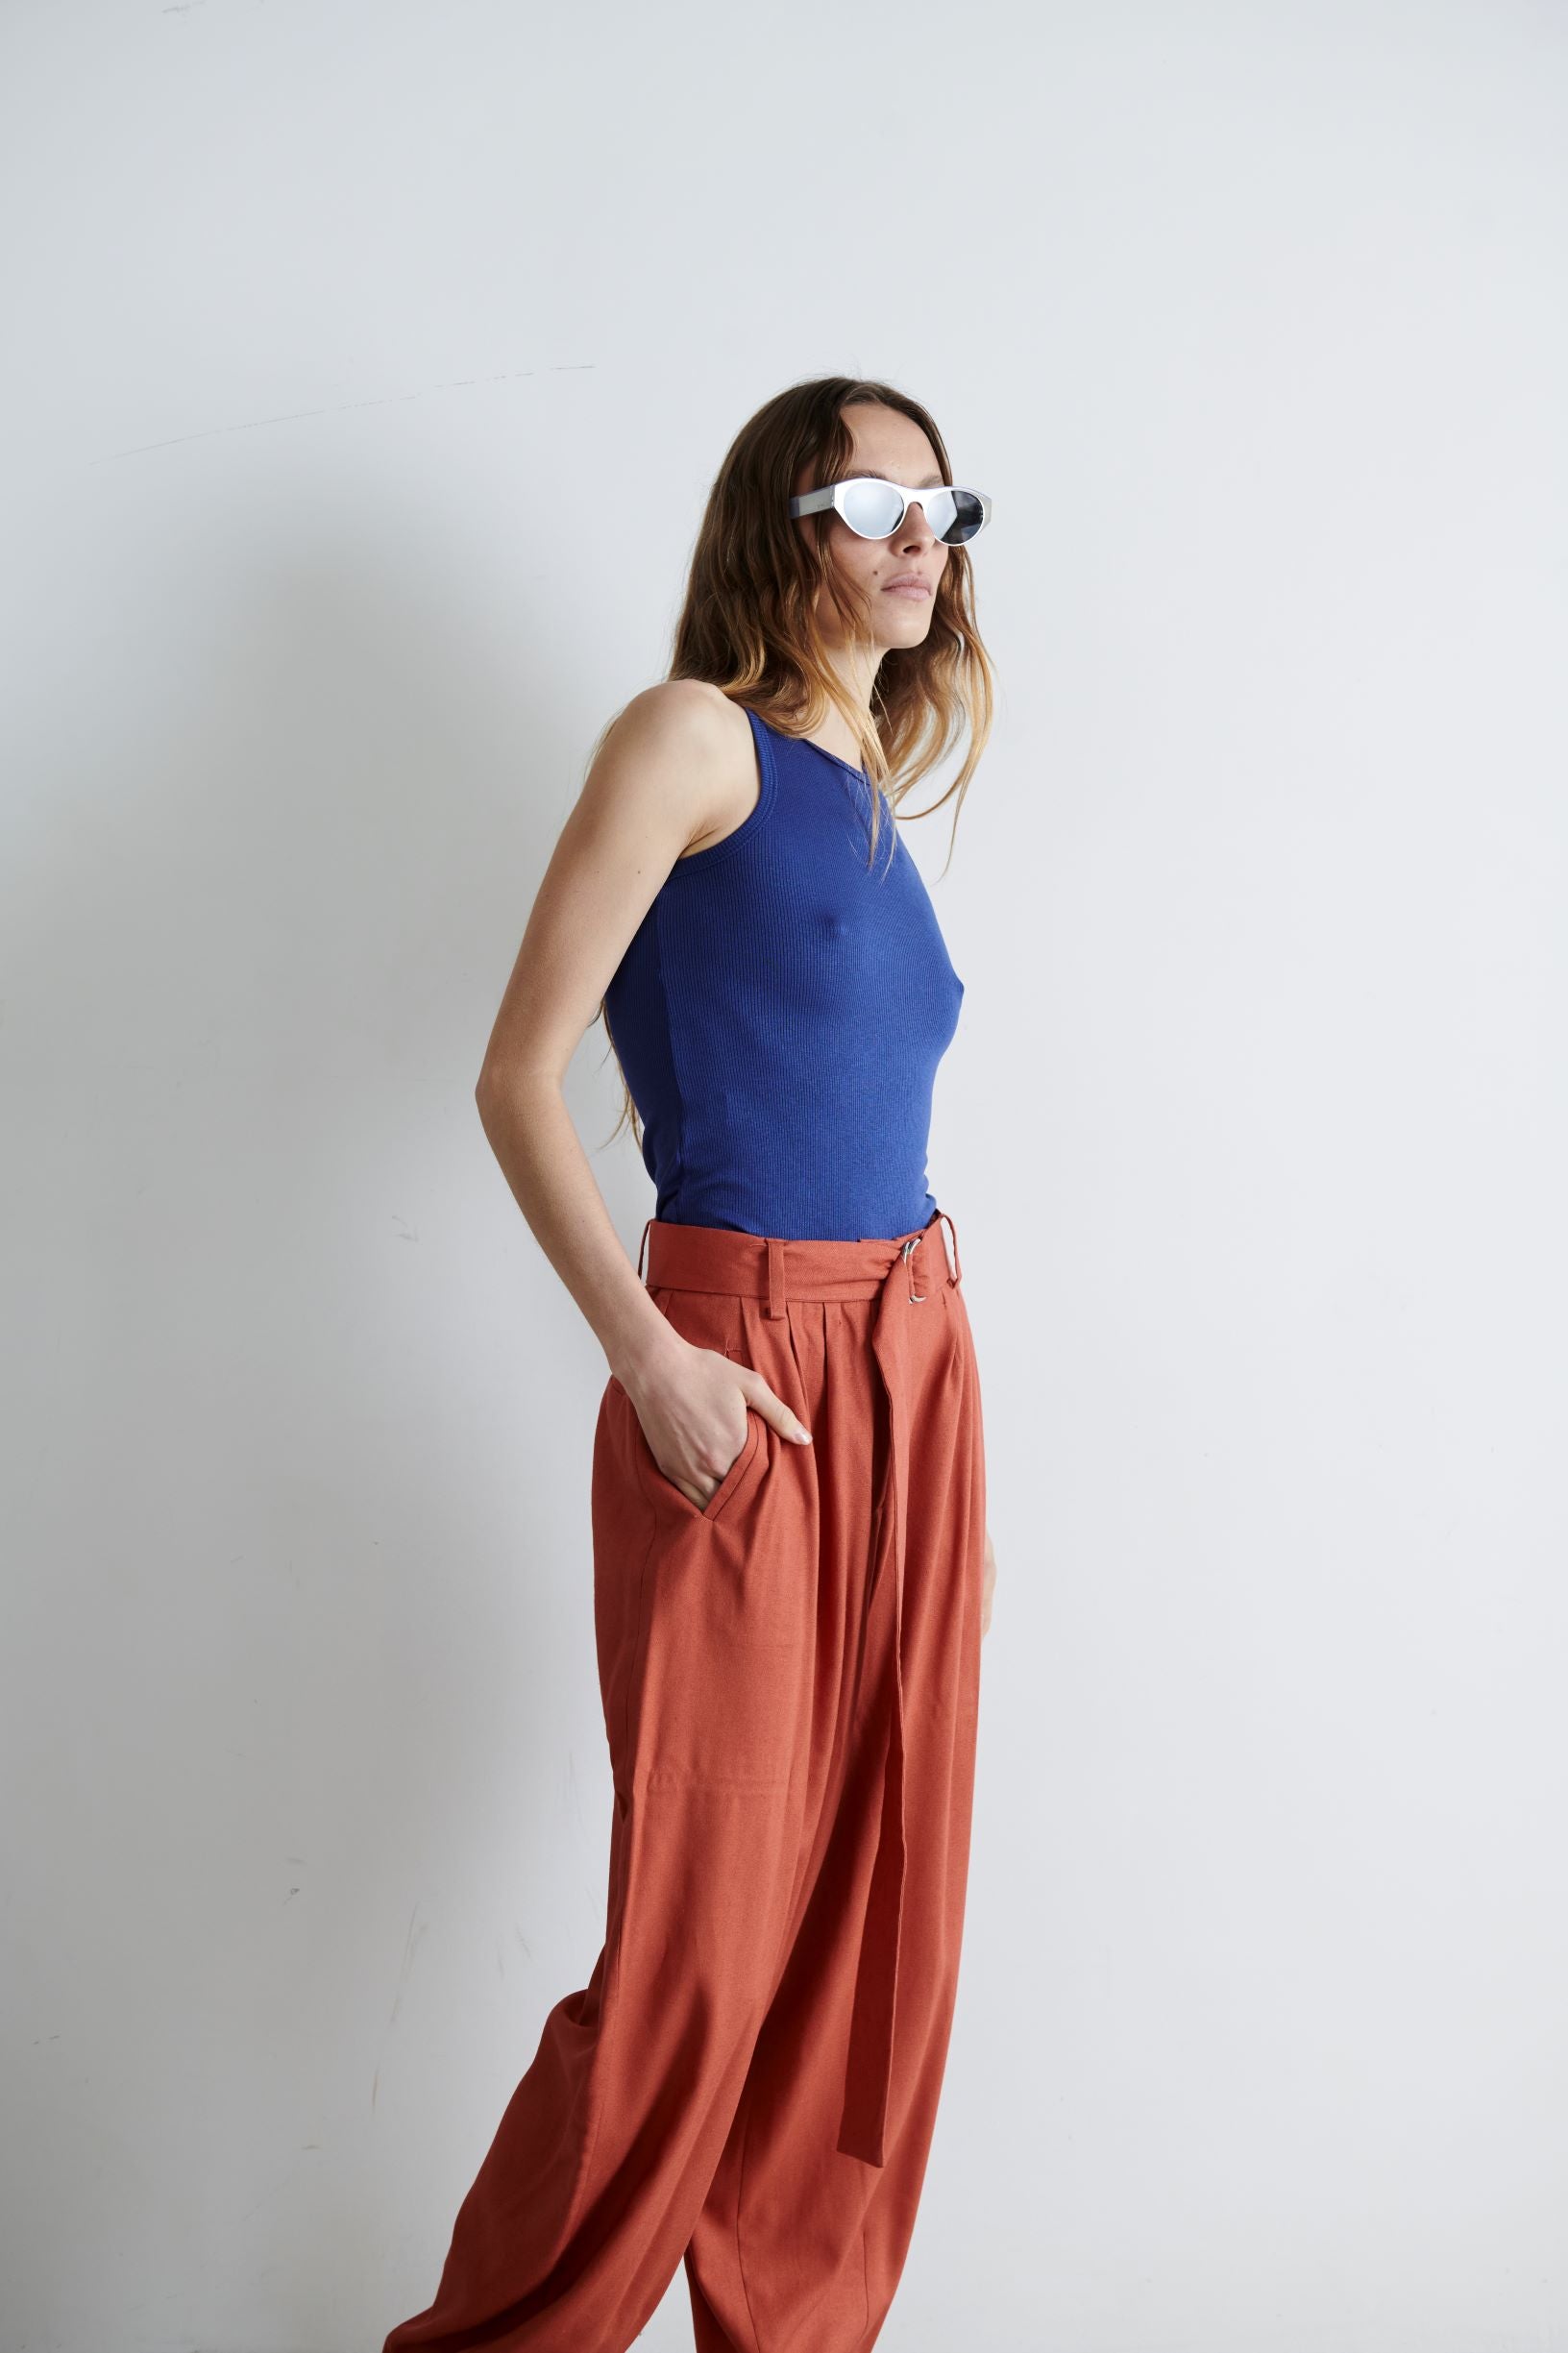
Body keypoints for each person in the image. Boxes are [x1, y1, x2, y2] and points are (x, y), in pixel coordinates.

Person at [380, 374, 999, 2353]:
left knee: (867, 1928)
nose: (918, 541)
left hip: (915, 1362)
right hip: (745, 1367)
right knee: (697, 1948)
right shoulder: (691, 740)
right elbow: (516, 1075)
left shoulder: (868, 786)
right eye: (871, 503)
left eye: (942, 508)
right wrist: (648, 1353)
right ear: (776, 524)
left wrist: (921, 1368)